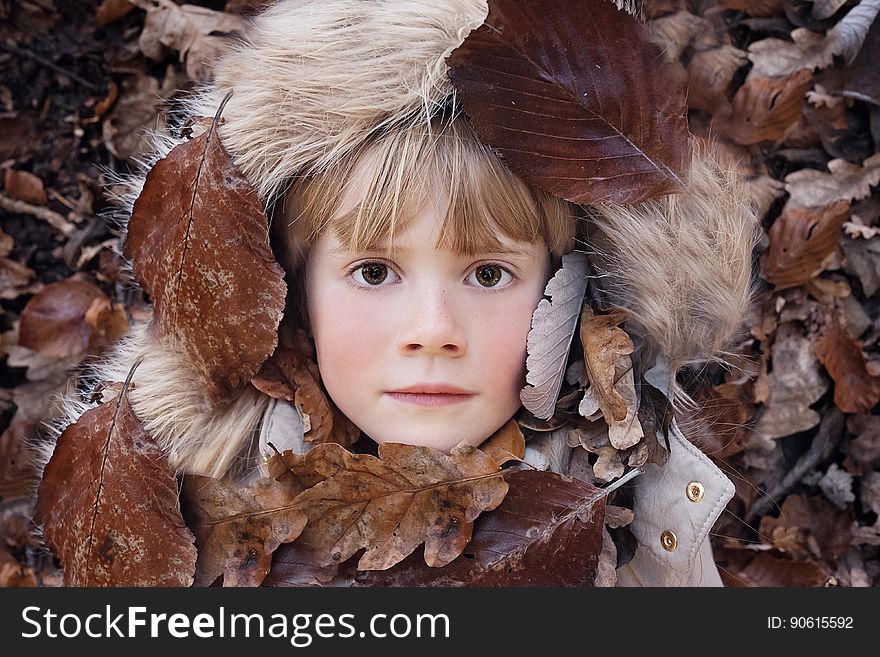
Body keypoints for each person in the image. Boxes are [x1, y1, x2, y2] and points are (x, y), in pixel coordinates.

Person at [34, 0, 761, 587]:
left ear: (569, 289)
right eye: (375, 272)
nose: (433, 329)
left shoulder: (634, 518)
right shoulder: (190, 529)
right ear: (288, 295)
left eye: (488, 274)